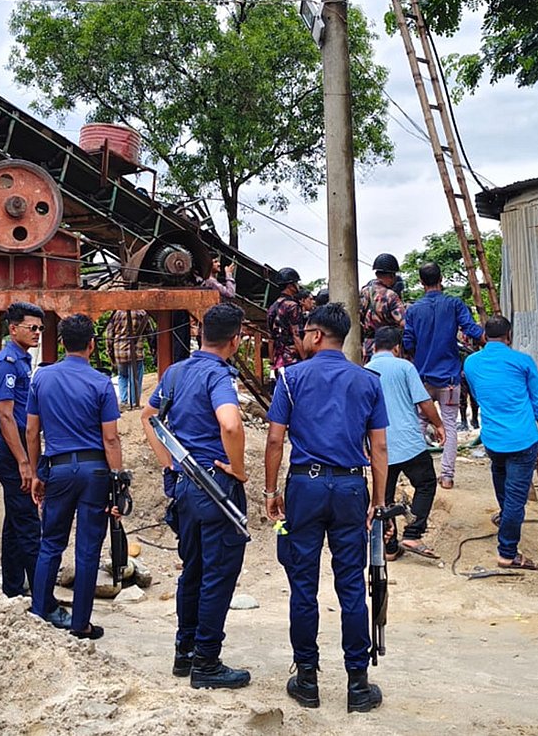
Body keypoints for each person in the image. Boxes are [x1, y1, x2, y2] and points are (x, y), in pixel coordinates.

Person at [264, 303, 389, 714]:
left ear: (316, 335)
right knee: (351, 584)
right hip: (352, 487)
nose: (300, 338)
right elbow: (379, 448)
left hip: (306, 485)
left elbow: (275, 441)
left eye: (303, 332)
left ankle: (307, 678)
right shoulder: (367, 381)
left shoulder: (291, 379)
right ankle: (357, 684)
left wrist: (270, 491)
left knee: (304, 584)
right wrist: (379, 501)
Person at [140, 303, 251, 690]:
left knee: (193, 571)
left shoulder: (175, 372)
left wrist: (168, 463)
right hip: (217, 489)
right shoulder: (217, 376)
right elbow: (231, 424)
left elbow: (147, 416)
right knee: (217, 576)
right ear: (235, 340)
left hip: (185, 488)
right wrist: (237, 469)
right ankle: (207, 662)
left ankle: (184, 652)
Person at [26, 313, 123, 639]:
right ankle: (81, 624)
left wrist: (36, 469)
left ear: (63, 342)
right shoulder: (100, 383)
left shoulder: (42, 378)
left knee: (50, 542)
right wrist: (117, 481)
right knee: (87, 550)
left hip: (58, 469)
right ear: (92, 345)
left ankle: (39, 614)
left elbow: (31, 429)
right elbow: (110, 438)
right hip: (95, 471)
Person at [462, 315, 538, 571]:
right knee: (515, 497)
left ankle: (505, 520)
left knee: (502, 481)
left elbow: (479, 395)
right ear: (508, 335)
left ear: (484, 336)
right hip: (523, 439)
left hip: (493, 439)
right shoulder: (522, 361)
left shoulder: (471, 363)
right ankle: (508, 553)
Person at [403, 262, 485, 488]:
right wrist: (491, 342)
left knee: (419, 422)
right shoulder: (454, 304)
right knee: (449, 424)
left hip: (422, 380)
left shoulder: (413, 310)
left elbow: (408, 342)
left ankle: (418, 475)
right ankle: (447, 477)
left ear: (421, 282)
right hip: (449, 378)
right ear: (441, 279)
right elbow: (472, 330)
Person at [366, 326, 444, 560]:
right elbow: (423, 401)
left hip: (379, 445)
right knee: (426, 483)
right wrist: (438, 424)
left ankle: (389, 548)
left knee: (383, 496)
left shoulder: (365, 371)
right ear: (397, 347)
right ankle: (413, 532)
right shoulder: (404, 367)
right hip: (409, 442)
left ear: (374, 347)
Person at [0, 301, 43, 597]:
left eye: (40, 328)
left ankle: (12, 588)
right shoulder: (6, 363)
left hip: (20, 443)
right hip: (13, 447)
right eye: (31, 327)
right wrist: (24, 461)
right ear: (13, 329)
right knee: (29, 524)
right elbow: (5, 414)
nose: (37, 333)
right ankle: (42, 596)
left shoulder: (21, 360)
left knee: (14, 523)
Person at [103, 309, 156, 409]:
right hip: (136, 353)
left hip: (119, 352)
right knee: (135, 378)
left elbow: (109, 337)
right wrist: (152, 350)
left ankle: (123, 402)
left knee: (122, 376)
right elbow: (150, 334)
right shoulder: (141, 313)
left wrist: (110, 354)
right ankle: (134, 403)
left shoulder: (115, 314)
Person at [359, 253, 406, 362]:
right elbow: (404, 323)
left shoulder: (364, 292)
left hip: (368, 347)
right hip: (388, 348)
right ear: (392, 276)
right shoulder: (391, 296)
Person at [267, 267, 305, 372]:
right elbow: (296, 335)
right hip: (292, 360)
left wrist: (271, 362)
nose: (298, 286)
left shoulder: (272, 307)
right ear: (290, 285)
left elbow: (271, 338)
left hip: (278, 360)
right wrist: (306, 360)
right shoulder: (292, 306)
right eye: (296, 283)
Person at [458, 335, 480, 431]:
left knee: (474, 399)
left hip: (472, 372)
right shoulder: (456, 341)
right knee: (462, 399)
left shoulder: (475, 339)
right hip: (460, 373)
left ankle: (475, 420)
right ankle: (464, 422)